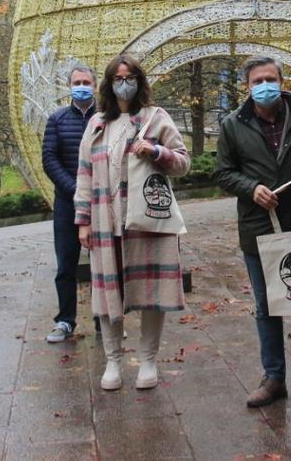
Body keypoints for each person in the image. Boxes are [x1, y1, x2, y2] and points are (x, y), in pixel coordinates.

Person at [214, 55, 291, 408]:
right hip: (258, 226)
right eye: (257, 81)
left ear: (282, 81)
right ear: (247, 87)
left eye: (270, 78)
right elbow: (223, 172)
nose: (264, 85)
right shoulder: (233, 124)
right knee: (266, 306)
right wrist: (251, 187)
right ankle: (273, 378)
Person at [75, 55, 190, 391]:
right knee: (109, 292)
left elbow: (183, 162)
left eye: (130, 77)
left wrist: (156, 151)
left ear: (139, 80)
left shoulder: (156, 118)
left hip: (148, 220)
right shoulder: (96, 123)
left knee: (152, 290)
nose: (124, 83)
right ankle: (113, 361)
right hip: (104, 221)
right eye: (117, 77)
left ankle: (148, 361)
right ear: (109, 84)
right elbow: (84, 174)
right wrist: (82, 221)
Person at [42, 65, 97, 343]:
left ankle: (105, 319)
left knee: (104, 265)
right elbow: (49, 160)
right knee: (66, 266)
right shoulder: (57, 119)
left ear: (95, 86)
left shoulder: (105, 118)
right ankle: (65, 320)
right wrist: (77, 190)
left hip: (101, 205)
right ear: (69, 86)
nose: (82, 86)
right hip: (67, 204)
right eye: (77, 82)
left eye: (86, 81)